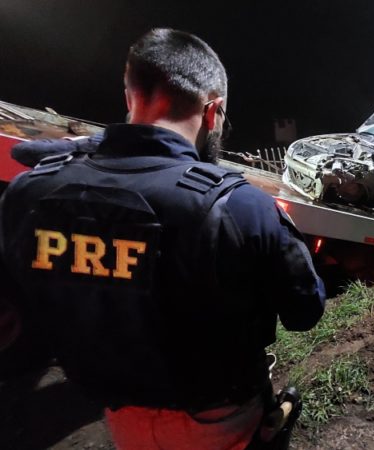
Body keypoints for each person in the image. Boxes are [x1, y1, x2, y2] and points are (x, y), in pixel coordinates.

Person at [0, 28, 325, 450]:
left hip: (118, 415)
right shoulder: (239, 206)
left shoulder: (30, 192)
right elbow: (304, 311)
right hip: (217, 422)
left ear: (129, 95)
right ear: (214, 111)